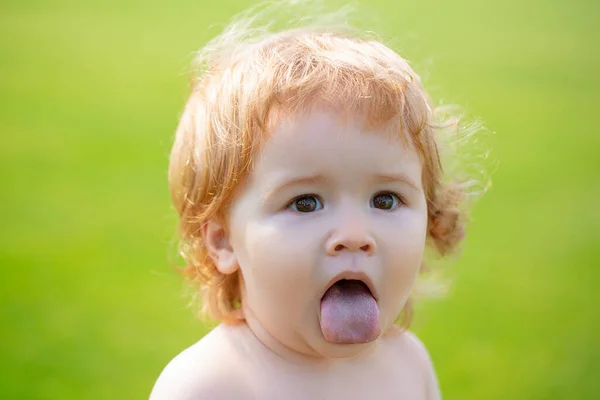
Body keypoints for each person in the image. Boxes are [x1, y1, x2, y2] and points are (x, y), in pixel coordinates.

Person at [150, 3, 481, 398]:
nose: (356, 235)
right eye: (306, 202)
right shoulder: (210, 386)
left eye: (386, 199)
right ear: (224, 241)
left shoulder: (409, 365)